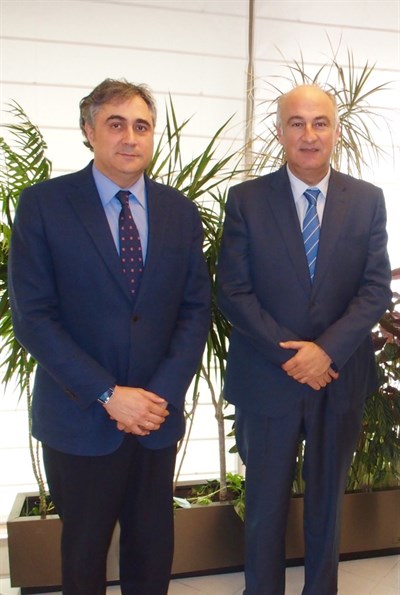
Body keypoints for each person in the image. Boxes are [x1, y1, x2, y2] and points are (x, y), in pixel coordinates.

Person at [8, 78, 211, 595]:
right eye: (116, 124)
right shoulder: (44, 205)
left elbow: (194, 311)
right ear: (88, 131)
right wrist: (108, 394)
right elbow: (34, 317)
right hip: (79, 418)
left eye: (142, 126)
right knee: (83, 556)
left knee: (152, 551)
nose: (130, 137)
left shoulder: (179, 212)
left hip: (155, 417)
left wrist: (157, 397)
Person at [217, 84, 392, 595]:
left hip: (338, 378)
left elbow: (374, 288)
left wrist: (326, 352)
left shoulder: (367, 200)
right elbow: (233, 290)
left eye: (320, 123)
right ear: (280, 131)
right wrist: (293, 356)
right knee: (264, 507)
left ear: (335, 131)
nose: (309, 134)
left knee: (326, 505)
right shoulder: (247, 201)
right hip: (267, 379)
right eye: (297, 123)